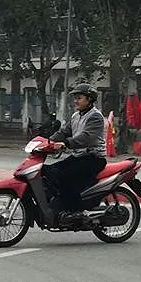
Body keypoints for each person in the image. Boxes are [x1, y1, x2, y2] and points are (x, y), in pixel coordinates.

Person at [42, 84, 107, 224]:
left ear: (89, 99)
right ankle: (59, 205)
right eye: (75, 98)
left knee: (65, 177)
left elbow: (86, 137)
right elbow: (64, 132)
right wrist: (47, 142)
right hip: (78, 156)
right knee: (47, 171)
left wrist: (65, 143)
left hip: (93, 158)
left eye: (79, 98)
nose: (76, 101)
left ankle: (76, 211)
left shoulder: (95, 116)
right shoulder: (76, 116)